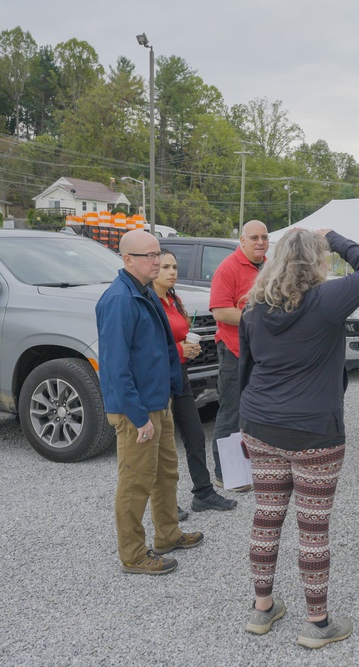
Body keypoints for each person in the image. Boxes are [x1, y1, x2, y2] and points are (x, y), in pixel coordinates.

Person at [238, 228, 359, 649]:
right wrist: (334, 238)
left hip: (262, 423)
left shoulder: (253, 307)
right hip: (315, 431)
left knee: (266, 515)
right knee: (313, 527)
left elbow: (244, 371)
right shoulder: (325, 300)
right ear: (315, 261)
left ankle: (262, 608)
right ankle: (317, 623)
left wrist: (244, 422)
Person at [96, 230, 204, 576]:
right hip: (137, 410)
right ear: (127, 260)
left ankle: (168, 534)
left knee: (165, 473)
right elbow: (115, 366)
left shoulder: (147, 293)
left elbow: (158, 351)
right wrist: (139, 416)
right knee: (136, 481)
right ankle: (133, 554)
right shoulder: (120, 300)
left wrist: (170, 394)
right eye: (149, 256)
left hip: (159, 402)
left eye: (157, 254)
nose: (157, 261)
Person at [152, 250, 237, 514]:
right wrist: (180, 350)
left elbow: (178, 336)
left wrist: (190, 349)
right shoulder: (149, 302)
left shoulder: (173, 299)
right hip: (157, 381)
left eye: (175, 266)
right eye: (166, 266)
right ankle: (166, 505)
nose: (172, 271)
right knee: (161, 447)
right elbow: (149, 346)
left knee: (195, 436)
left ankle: (203, 493)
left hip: (180, 378)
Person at [209, 220, 269, 492]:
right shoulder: (228, 268)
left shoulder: (269, 267)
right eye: (254, 237)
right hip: (235, 352)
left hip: (263, 354)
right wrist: (256, 320)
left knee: (260, 412)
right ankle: (226, 474)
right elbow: (221, 311)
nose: (260, 242)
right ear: (242, 241)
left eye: (264, 237)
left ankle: (258, 467)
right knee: (231, 412)